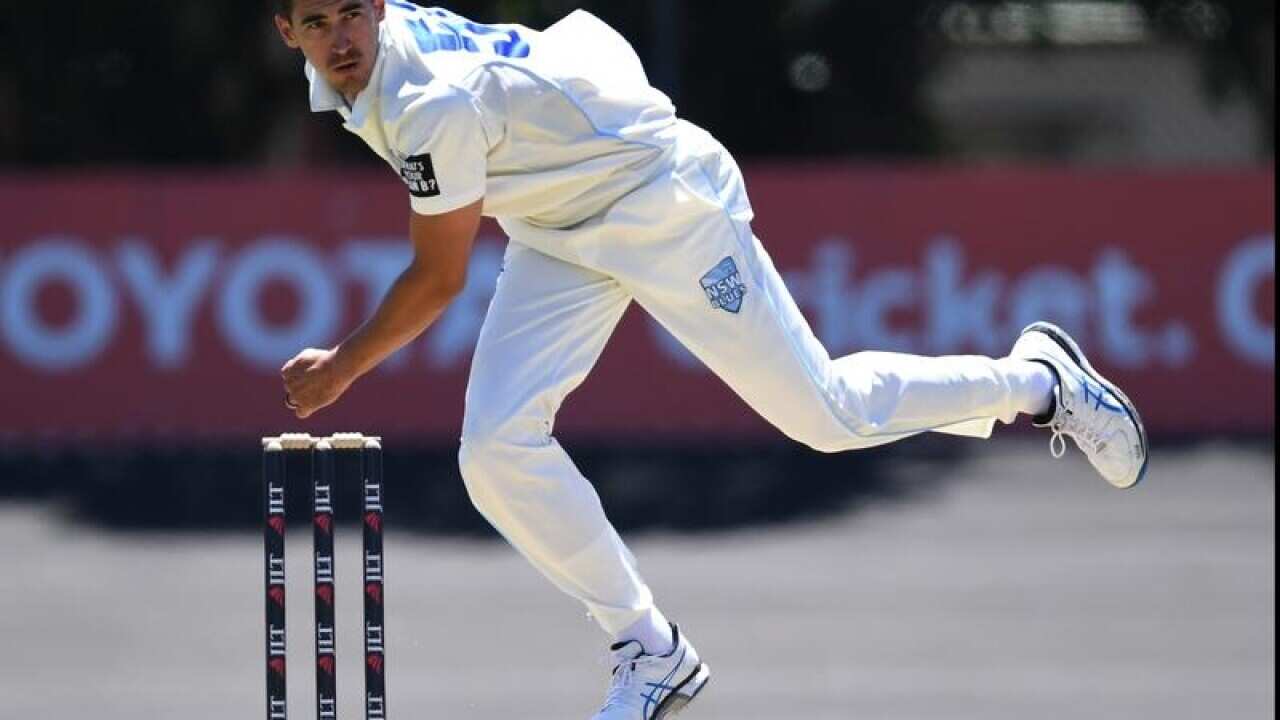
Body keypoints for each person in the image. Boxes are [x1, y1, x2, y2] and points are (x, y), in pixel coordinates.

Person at [274, 1, 1150, 717]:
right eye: (318, 22)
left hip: (661, 201)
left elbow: (438, 278)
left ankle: (1040, 382)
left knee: (828, 414)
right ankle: (651, 651)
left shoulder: (428, 101)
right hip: (556, 224)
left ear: (381, 9)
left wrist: (344, 368)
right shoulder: (363, 74)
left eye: (354, 14)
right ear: (288, 34)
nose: (341, 37)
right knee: (494, 448)